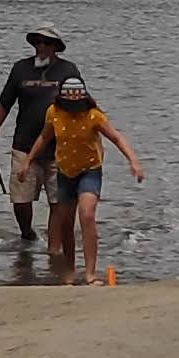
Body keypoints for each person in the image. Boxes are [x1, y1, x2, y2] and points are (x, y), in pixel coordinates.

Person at [36, 75, 143, 281]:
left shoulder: (94, 116)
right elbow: (44, 137)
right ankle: (69, 270)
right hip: (64, 172)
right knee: (66, 222)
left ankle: (90, 274)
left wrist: (134, 161)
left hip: (89, 171)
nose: (73, 109)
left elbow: (116, 138)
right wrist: (27, 161)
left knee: (86, 214)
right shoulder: (53, 113)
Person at [0, 25, 80, 246]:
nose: (41, 46)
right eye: (37, 42)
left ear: (56, 46)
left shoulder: (68, 70)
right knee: (20, 200)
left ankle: (54, 248)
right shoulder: (20, 69)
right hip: (24, 146)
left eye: (46, 42)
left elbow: (80, 104)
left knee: (58, 202)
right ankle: (27, 235)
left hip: (58, 149)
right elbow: (5, 102)